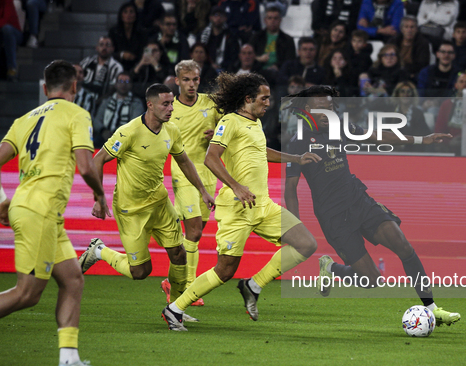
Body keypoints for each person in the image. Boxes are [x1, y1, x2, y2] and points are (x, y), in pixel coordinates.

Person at [284, 85, 461, 327]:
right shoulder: (298, 142)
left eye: (331, 108)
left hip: (358, 199)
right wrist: (295, 227)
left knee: (404, 245)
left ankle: (432, 308)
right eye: (322, 110)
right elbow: (290, 189)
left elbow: (376, 135)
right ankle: (332, 268)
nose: (329, 114)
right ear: (307, 111)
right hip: (333, 217)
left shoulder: (340, 128)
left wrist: (422, 139)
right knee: (371, 280)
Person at [161, 72, 320, 330]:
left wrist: (296, 158)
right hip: (236, 207)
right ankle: (174, 309)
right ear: (248, 99)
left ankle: (253, 285)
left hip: (262, 204)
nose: (268, 103)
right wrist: (235, 186)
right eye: (264, 98)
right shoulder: (230, 122)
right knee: (224, 271)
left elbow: (261, 150)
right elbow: (211, 157)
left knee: (306, 244)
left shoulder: (255, 123)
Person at [0, 60, 110, 366]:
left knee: (72, 280)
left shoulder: (24, 119)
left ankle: (69, 362)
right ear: (74, 87)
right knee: (26, 293)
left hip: (32, 209)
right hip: (40, 211)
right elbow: (86, 166)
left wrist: (1, 201)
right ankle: (68, 362)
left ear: (44, 89)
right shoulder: (77, 114)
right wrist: (100, 196)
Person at [79, 84, 215, 324]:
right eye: (165, 104)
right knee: (140, 272)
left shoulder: (171, 130)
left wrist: (202, 191)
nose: (171, 108)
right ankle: (98, 250)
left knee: (179, 254)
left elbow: (184, 161)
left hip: (160, 204)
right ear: (150, 104)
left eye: (172, 103)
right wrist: (99, 199)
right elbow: (97, 160)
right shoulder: (129, 132)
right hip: (132, 210)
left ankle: (176, 309)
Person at [159, 60, 223, 307]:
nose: (191, 84)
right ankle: (187, 287)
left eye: (195, 79)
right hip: (182, 174)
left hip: (209, 174)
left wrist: (217, 130)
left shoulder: (210, 103)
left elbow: (228, 127)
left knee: (196, 234)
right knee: (193, 231)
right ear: (177, 81)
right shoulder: (170, 108)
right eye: (186, 79)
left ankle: (173, 282)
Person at [93, 72, 145, 148]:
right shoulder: (106, 101)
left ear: (131, 85)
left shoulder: (136, 103)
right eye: (120, 81)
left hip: (125, 138)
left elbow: (134, 123)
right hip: (104, 136)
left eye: (127, 82)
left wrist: (116, 133)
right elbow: (97, 120)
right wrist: (103, 131)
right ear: (116, 84)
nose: (123, 84)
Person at [249, 6, 296, 73]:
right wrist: (258, 58)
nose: (272, 21)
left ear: (280, 20)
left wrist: (277, 66)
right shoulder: (256, 37)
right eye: (270, 18)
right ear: (265, 20)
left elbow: (290, 60)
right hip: (257, 70)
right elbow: (247, 55)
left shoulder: (288, 40)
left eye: (275, 18)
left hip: (279, 72)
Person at [80, 36, 124, 103]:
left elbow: (114, 89)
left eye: (107, 45)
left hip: (104, 101)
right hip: (83, 99)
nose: (104, 48)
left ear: (112, 49)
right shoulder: (86, 62)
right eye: (101, 45)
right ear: (97, 48)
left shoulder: (116, 67)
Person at [197, 6, 241, 72]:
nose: (218, 18)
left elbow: (234, 57)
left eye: (221, 16)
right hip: (206, 69)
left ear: (225, 18)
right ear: (210, 18)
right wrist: (210, 65)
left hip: (225, 70)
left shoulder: (231, 36)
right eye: (216, 15)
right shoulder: (203, 35)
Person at [388, 16, 431, 81]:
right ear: (402, 29)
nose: (409, 30)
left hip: (412, 75)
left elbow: (422, 64)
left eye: (412, 27)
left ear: (416, 29)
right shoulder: (393, 41)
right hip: (393, 72)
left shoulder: (423, 43)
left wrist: (402, 68)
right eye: (406, 27)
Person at [109, 1, 148, 72]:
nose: (128, 15)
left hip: (137, 66)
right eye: (125, 12)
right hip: (117, 65)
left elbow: (144, 51)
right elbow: (110, 52)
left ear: (136, 15)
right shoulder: (113, 32)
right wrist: (122, 54)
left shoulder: (142, 33)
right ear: (121, 15)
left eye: (131, 12)